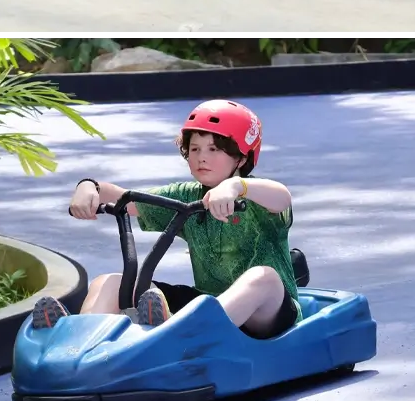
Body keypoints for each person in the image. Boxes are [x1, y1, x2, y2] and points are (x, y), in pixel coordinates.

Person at [31, 99, 302, 338]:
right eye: (194, 149)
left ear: (241, 158)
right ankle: (79, 340)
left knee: (263, 277)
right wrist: (89, 187)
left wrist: (237, 187)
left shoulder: (254, 195)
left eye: (214, 149)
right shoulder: (186, 196)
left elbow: (282, 197)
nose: (201, 158)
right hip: (210, 304)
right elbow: (128, 198)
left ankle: (177, 337)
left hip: (268, 315)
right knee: (111, 282)